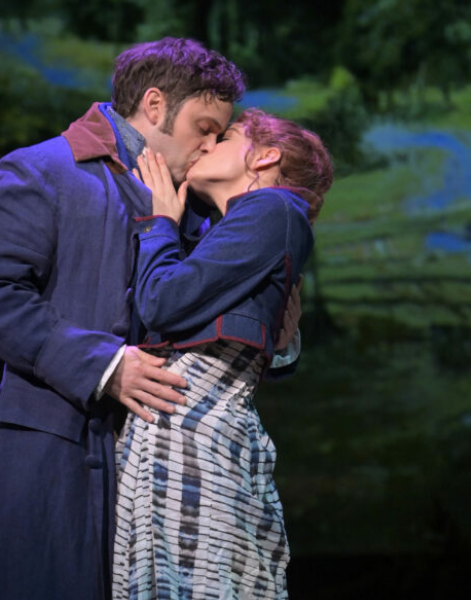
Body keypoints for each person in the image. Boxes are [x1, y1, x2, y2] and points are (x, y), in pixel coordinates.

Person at [0, 38, 301, 600]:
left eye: (222, 133)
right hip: (58, 454)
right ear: (156, 106)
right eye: (205, 126)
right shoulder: (47, 171)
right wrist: (103, 366)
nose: (212, 144)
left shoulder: (200, 206)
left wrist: (278, 336)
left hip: (158, 477)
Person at [112, 109, 333, 599]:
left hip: (188, 430)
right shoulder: (247, 224)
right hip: (187, 424)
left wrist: (159, 224)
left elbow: (163, 304)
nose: (208, 144)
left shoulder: (271, 209)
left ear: (266, 156)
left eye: (226, 136)